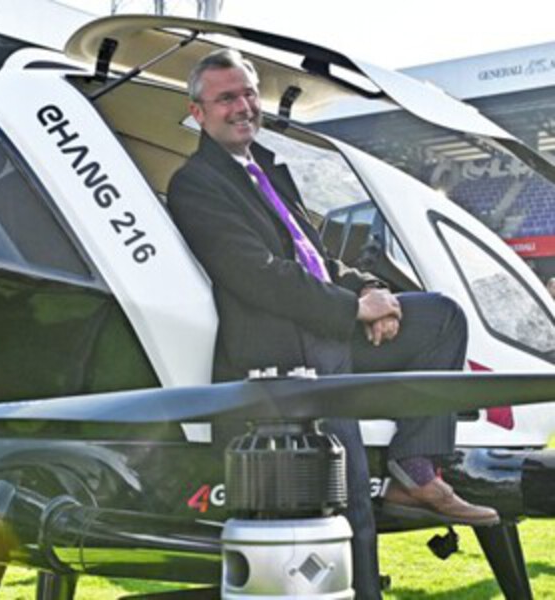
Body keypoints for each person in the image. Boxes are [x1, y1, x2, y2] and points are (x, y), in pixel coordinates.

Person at [168, 48, 499, 599]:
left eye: (248, 93)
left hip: (328, 331)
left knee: (440, 318)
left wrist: (368, 290)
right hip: (287, 351)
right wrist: (352, 311)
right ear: (198, 112)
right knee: (351, 504)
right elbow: (258, 275)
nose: (243, 106)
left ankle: (415, 471)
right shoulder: (195, 183)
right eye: (226, 98)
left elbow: (316, 259)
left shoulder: (267, 170)